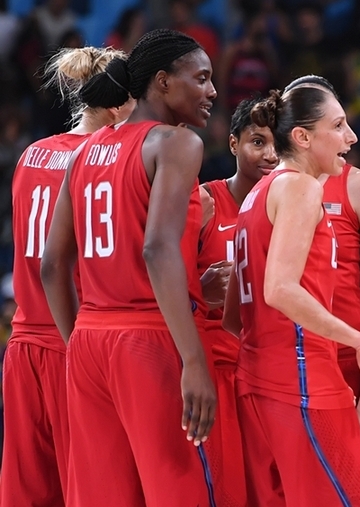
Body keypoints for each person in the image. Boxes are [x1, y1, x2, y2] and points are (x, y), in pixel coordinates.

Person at [40, 29, 219, 506]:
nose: (212, 91)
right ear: (162, 82)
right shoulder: (175, 144)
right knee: (178, 493)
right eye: (200, 78)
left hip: (89, 342)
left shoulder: (83, 152)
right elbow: (157, 249)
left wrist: (77, 342)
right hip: (152, 340)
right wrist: (196, 360)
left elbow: (52, 265)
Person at [220, 79, 360, 507]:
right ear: (302, 136)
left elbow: (233, 317)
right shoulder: (300, 187)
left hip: (258, 380)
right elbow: (279, 289)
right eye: (337, 126)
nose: (350, 137)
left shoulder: (254, 195)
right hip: (301, 381)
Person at [1, 45, 132, 507]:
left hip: (22, 345)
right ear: (119, 103)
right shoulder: (101, 162)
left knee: (27, 490)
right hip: (71, 337)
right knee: (89, 490)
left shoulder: (32, 154)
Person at [290, 74, 360, 506]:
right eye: (337, 125)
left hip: (353, 373)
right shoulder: (275, 188)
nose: (349, 136)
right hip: (292, 374)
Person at [195, 95, 278, 507]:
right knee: (227, 490)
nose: (270, 154)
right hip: (218, 369)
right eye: (257, 142)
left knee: (273, 490)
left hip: (272, 368)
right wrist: (198, 290)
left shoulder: (294, 206)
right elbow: (157, 281)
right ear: (233, 144)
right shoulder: (204, 203)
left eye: (278, 143)